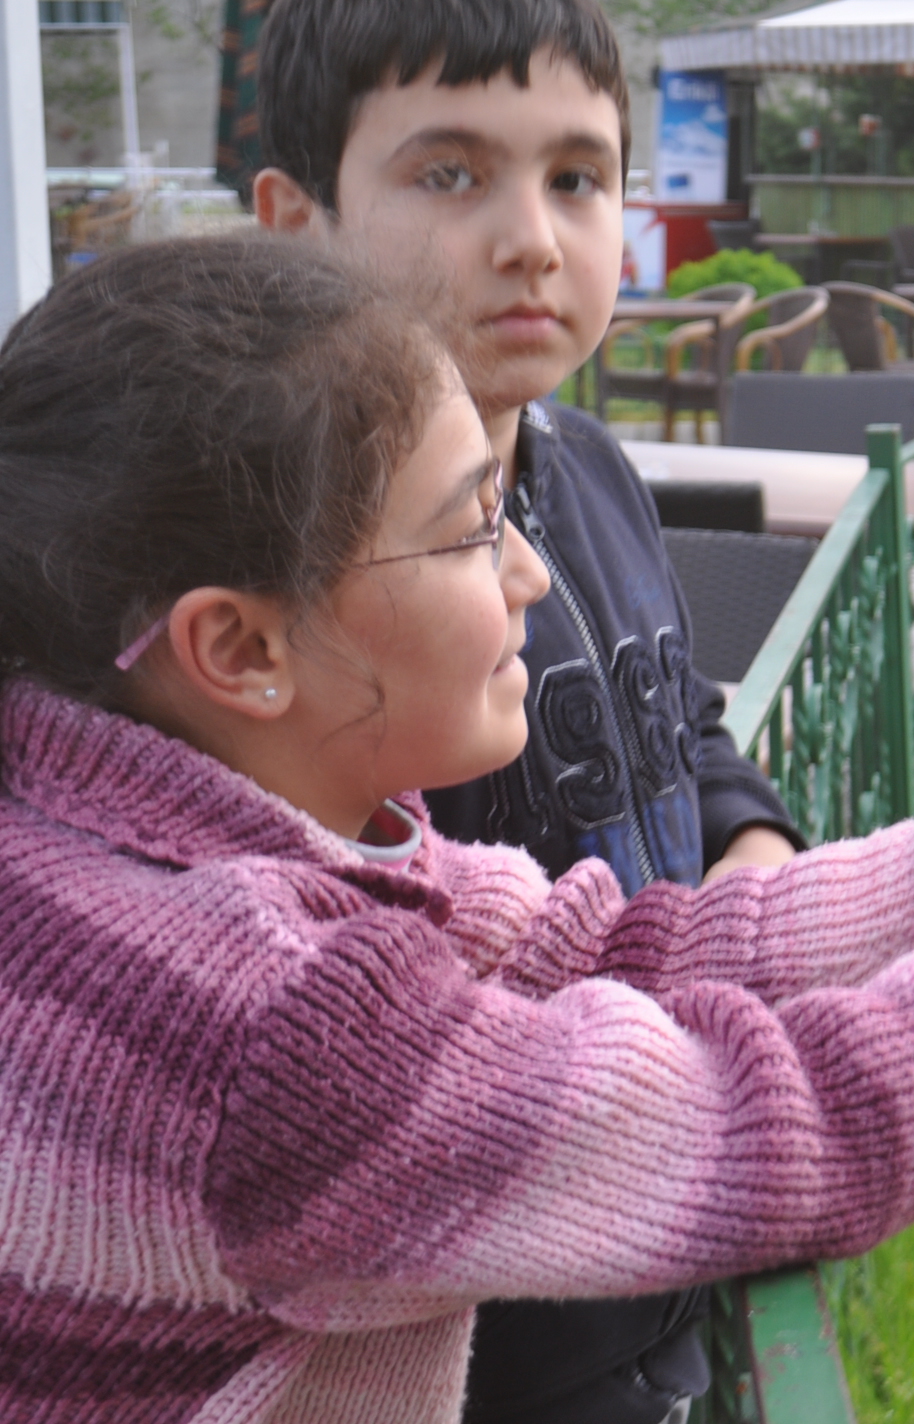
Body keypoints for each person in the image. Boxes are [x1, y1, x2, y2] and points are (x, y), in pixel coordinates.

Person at [0, 236, 914, 1424]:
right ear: (240, 647)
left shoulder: (127, 841)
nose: (531, 574)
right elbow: (808, 1129)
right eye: (468, 530)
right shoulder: (265, 1029)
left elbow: (633, 952)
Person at [247, 2, 804, 1414]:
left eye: (577, 177)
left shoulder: (599, 475)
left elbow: (680, 723)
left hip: (674, 1266)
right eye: (451, 176)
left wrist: (752, 844)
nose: (532, 240)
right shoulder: (307, 587)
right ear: (294, 222)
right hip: (479, 1346)